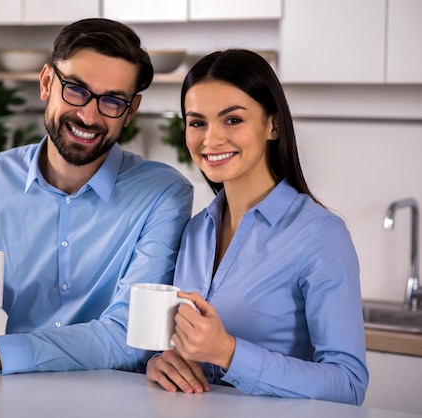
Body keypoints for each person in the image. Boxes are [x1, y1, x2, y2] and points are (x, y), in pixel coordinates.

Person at [0, 18, 193, 376]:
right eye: (76, 89)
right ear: (47, 83)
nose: (88, 115)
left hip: (119, 398)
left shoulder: (164, 195)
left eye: (112, 101)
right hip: (16, 395)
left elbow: (128, 338)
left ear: (130, 111)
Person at [145, 49, 369, 405]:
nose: (211, 139)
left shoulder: (321, 235)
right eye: (197, 122)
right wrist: (161, 362)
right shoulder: (195, 231)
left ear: (272, 124)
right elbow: (180, 348)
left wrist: (230, 353)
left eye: (232, 120)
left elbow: (348, 384)